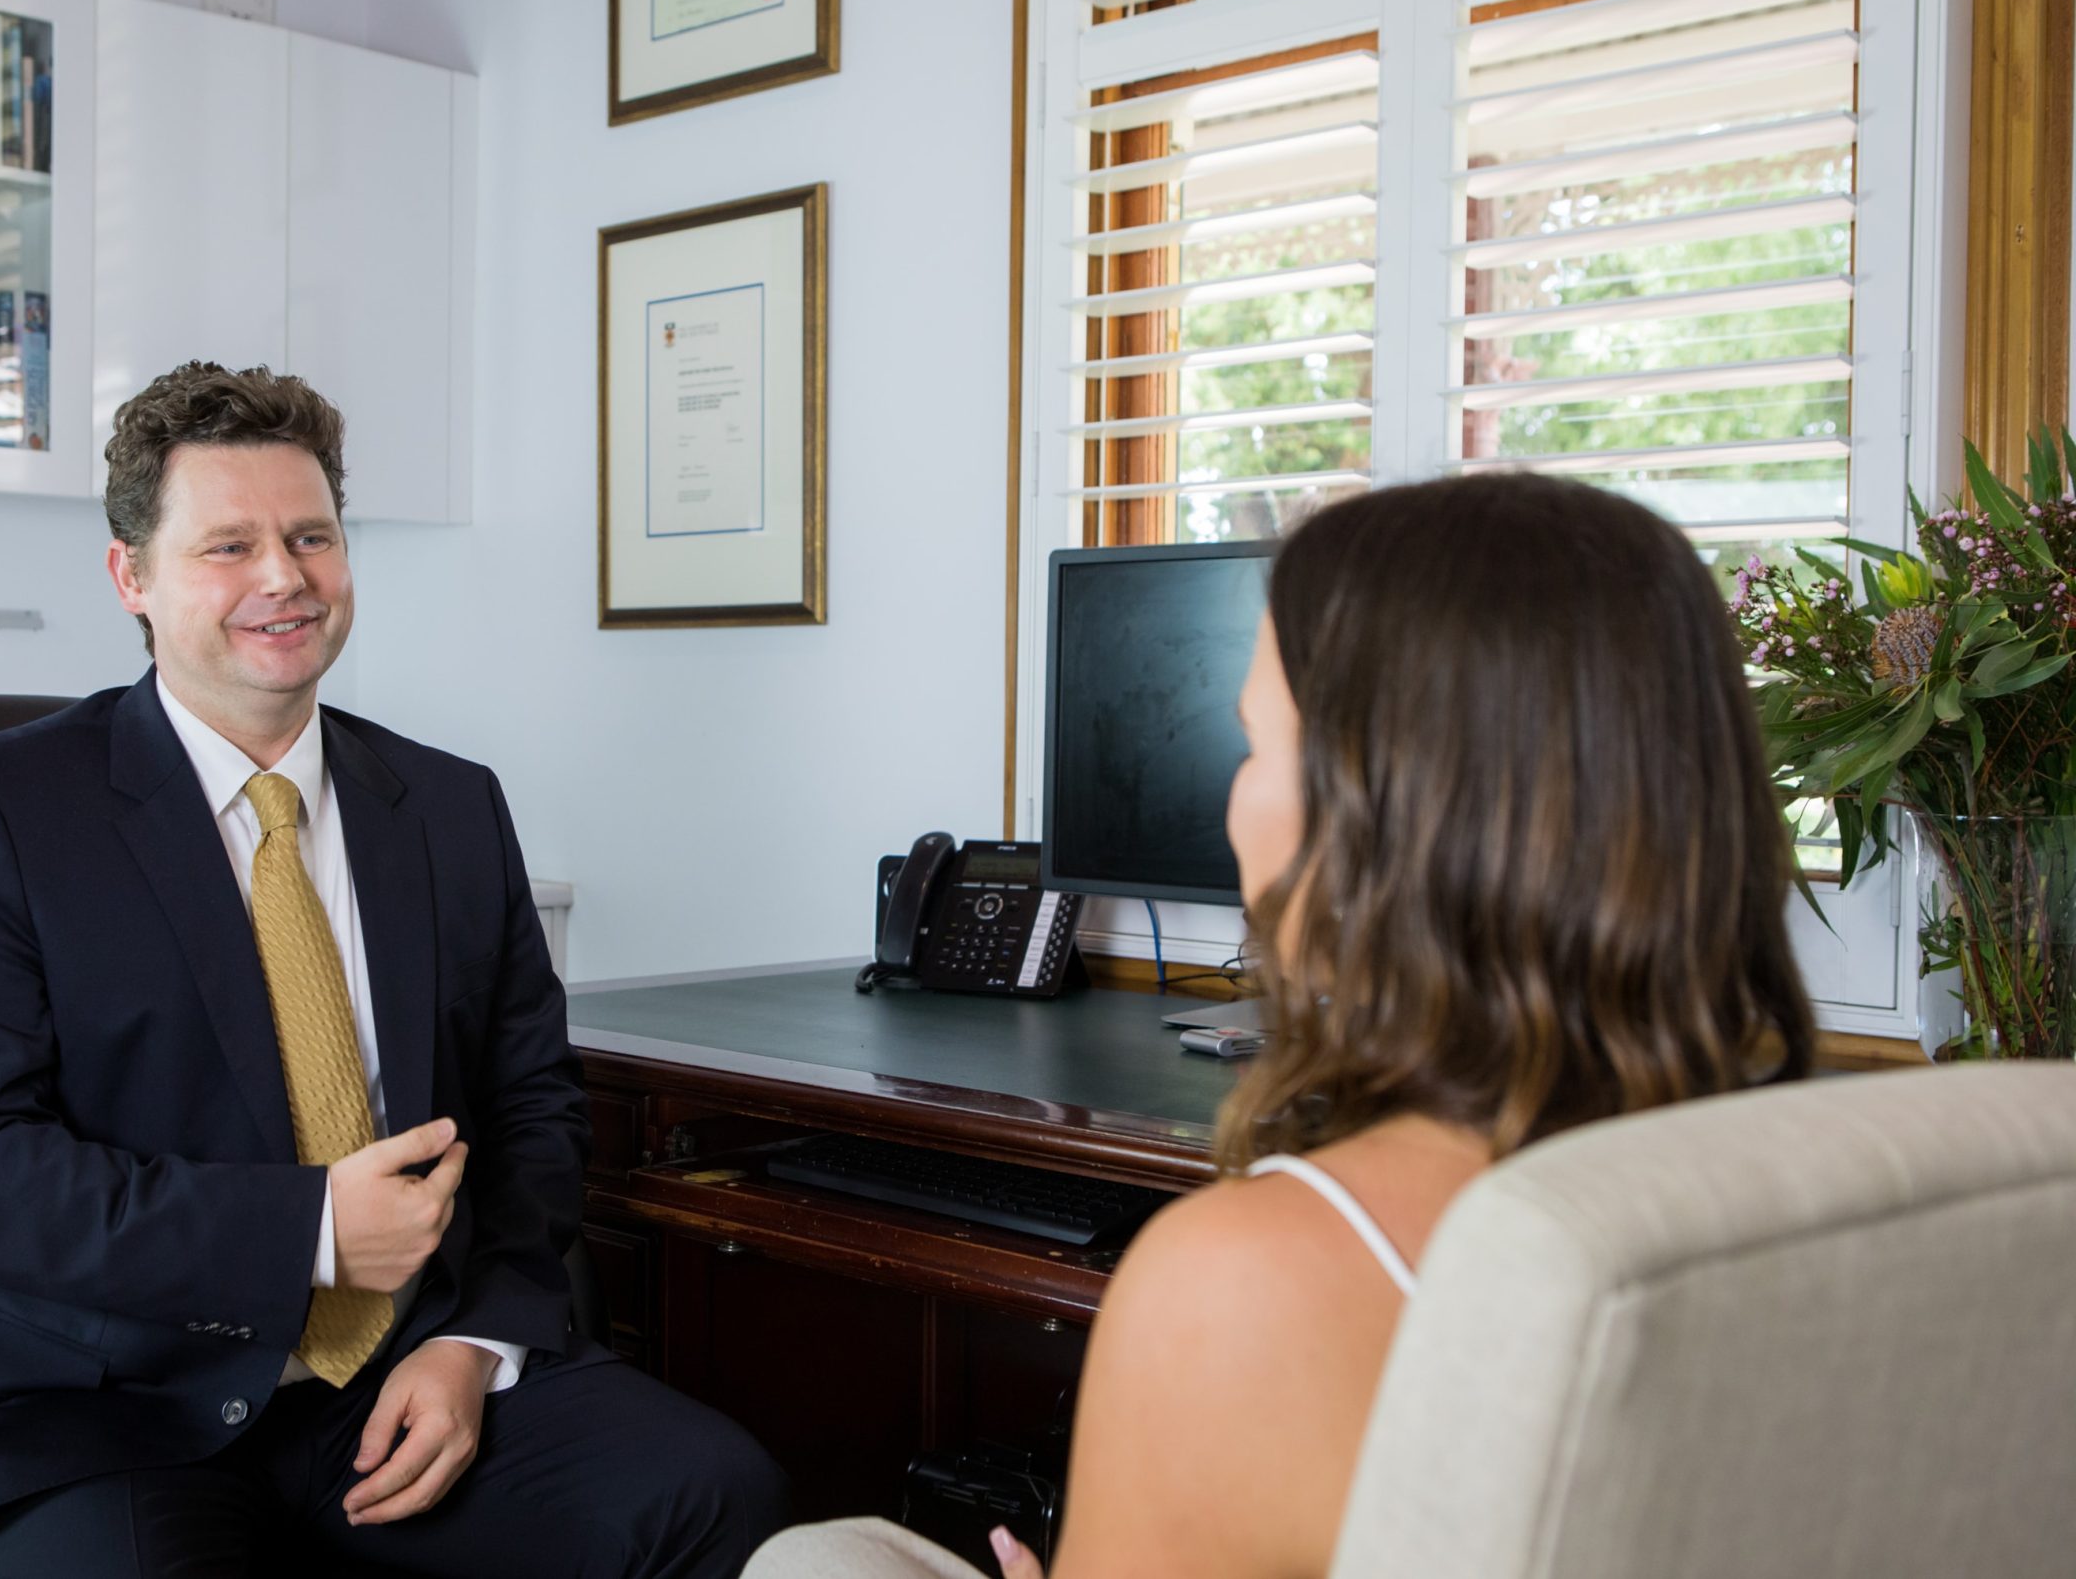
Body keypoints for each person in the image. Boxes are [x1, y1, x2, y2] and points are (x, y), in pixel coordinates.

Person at [745, 474, 1815, 1579]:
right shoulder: (1832, 1195)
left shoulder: (1246, 1279)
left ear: (1383, 818)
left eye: (1254, 744)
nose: (1233, 803)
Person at [0, 360, 788, 1577]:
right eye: (227, 546)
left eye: (311, 537)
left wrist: (481, 1347)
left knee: (718, 1494)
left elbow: (532, 1108)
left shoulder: (448, 807)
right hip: (116, 1413)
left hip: (408, 1371)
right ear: (130, 577)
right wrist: (310, 1232)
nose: (283, 578)